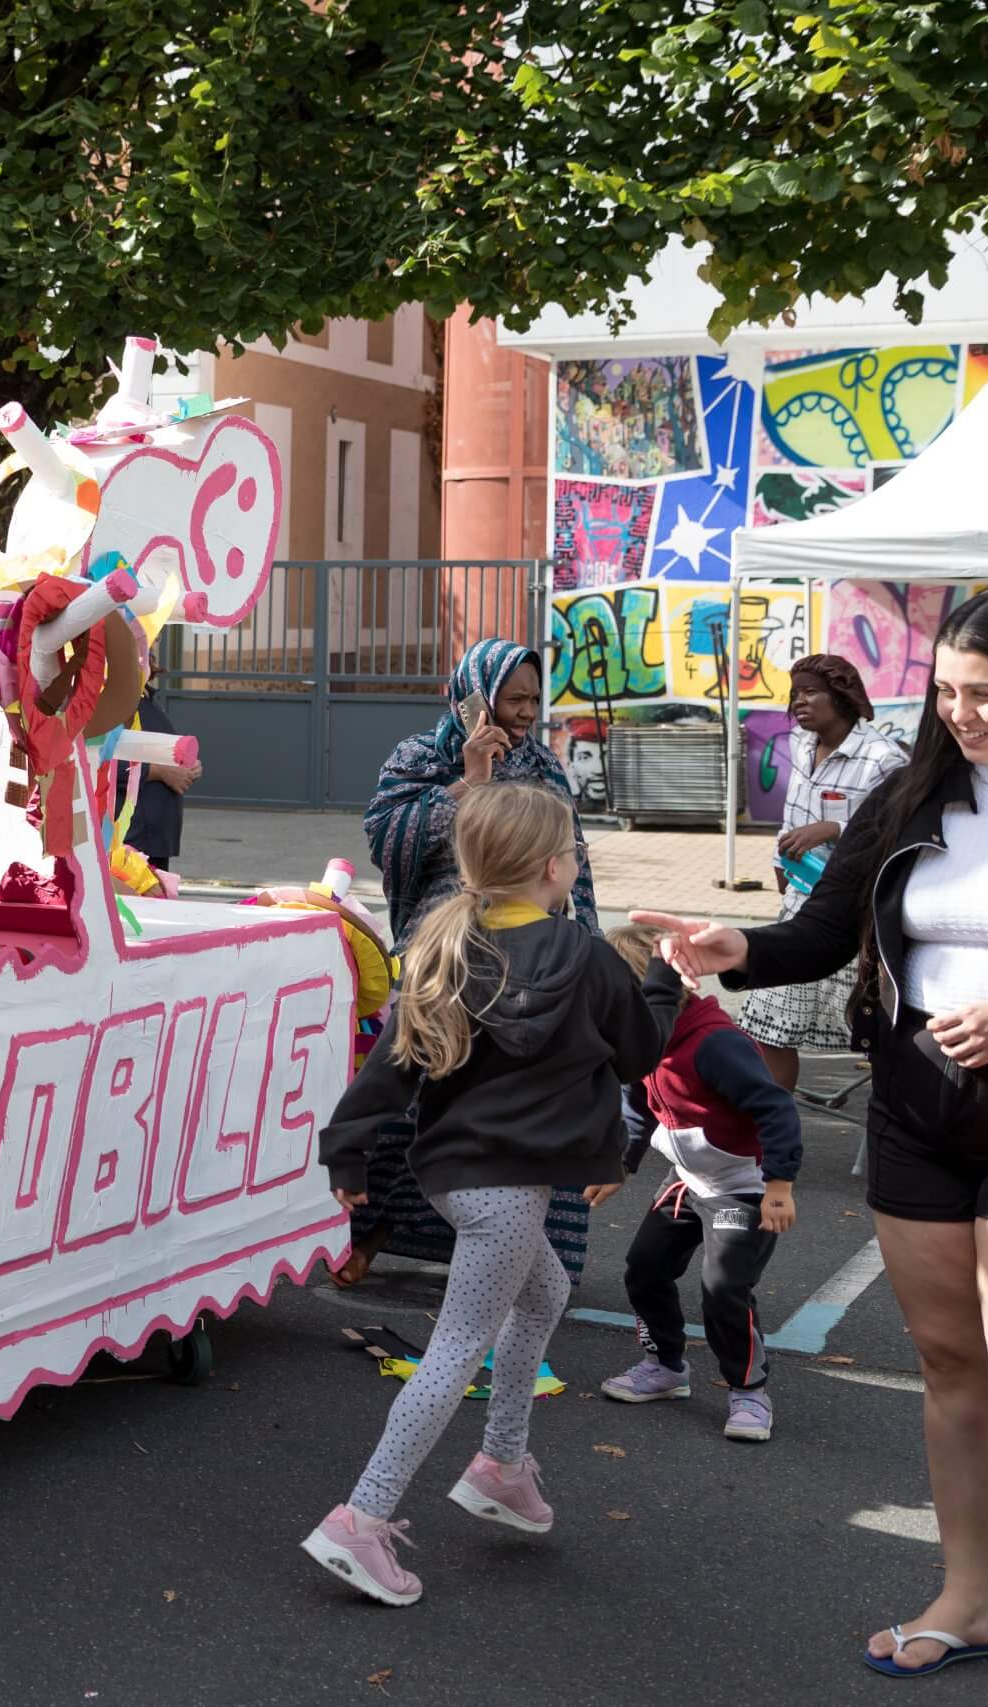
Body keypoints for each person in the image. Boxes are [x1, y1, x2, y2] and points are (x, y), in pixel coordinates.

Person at [639, 586, 988, 1678]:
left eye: (986, 695)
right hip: (916, 1111)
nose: (960, 714)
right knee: (947, 1364)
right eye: (943, 693)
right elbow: (823, 930)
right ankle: (967, 1600)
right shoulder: (913, 794)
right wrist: (731, 945)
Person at [303, 783, 680, 1607]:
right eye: (575, 853)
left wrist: (347, 1153)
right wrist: (666, 982)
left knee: (542, 1290)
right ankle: (360, 1519)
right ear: (553, 867)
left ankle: (503, 1463)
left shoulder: (444, 942)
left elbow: (390, 1065)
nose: (576, 864)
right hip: (510, 1189)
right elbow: (639, 1053)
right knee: (456, 1350)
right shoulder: (585, 954)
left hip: (454, 1179)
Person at [340, 638, 601, 1288]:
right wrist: (470, 782)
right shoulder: (421, 756)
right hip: (443, 952)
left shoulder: (543, 764)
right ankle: (373, 1229)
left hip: (528, 960)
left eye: (533, 700)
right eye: (513, 698)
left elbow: (574, 861)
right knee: (417, 1096)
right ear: (474, 695)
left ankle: (531, 1262)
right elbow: (387, 838)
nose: (525, 712)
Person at [598, 924, 802, 1443]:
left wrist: (779, 1184)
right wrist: (622, 1164)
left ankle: (749, 1391)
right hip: (691, 1176)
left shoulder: (715, 1045)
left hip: (743, 1182)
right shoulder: (647, 1041)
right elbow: (641, 1103)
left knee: (724, 1289)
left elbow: (775, 1106)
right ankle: (666, 1367)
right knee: (644, 1270)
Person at [738, 656, 908, 1090]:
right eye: (795, 693)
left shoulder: (883, 759)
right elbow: (792, 813)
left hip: (855, 919)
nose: (799, 702)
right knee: (767, 1026)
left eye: (811, 692)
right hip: (798, 908)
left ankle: (883, 1141)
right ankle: (775, 1138)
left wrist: (835, 829)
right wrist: (781, 861)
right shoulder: (798, 743)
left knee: (877, 1037)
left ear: (843, 696)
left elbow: (898, 836)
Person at [126, 660, 200, 874]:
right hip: (133, 835)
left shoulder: (148, 698)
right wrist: (160, 772)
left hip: (156, 836)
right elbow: (103, 762)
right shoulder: (116, 702)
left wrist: (189, 766)